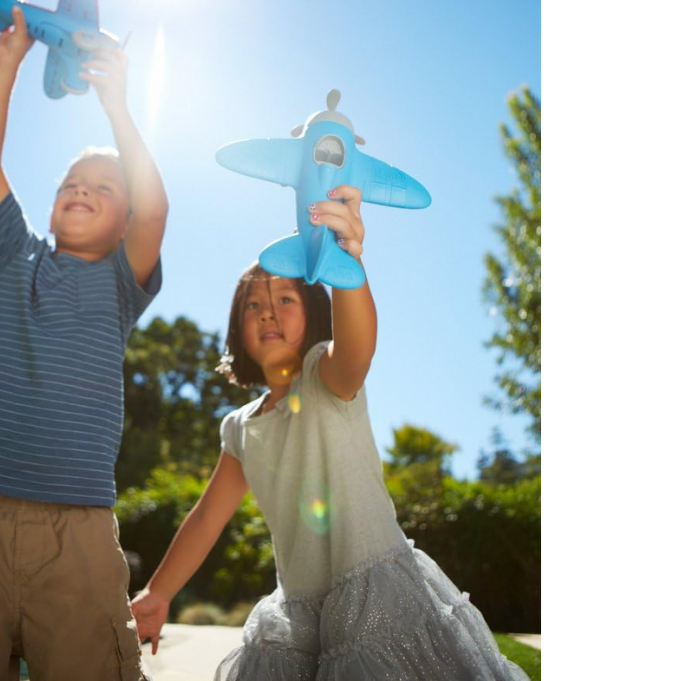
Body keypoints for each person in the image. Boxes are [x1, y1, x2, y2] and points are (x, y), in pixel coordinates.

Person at [130, 185, 528, 681]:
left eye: (285, 297)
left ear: (316, 309)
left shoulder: (326, 375)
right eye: (252, 305)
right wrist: (159, 592)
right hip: (298, 614)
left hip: (378, 593)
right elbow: (208, 517)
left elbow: (358, 348)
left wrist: (347, 263)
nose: (267, 311)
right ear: (237, 327)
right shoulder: (239, 428)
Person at [0, 6, 167, 681]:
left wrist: (117, 108)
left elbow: (155, 207)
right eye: (71, 184)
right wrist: (6, 61)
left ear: (125, 222)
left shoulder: (124, 283)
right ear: (49, 206)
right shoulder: (16, 256)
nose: (80, 189)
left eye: (103, 188)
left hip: (76, 529)